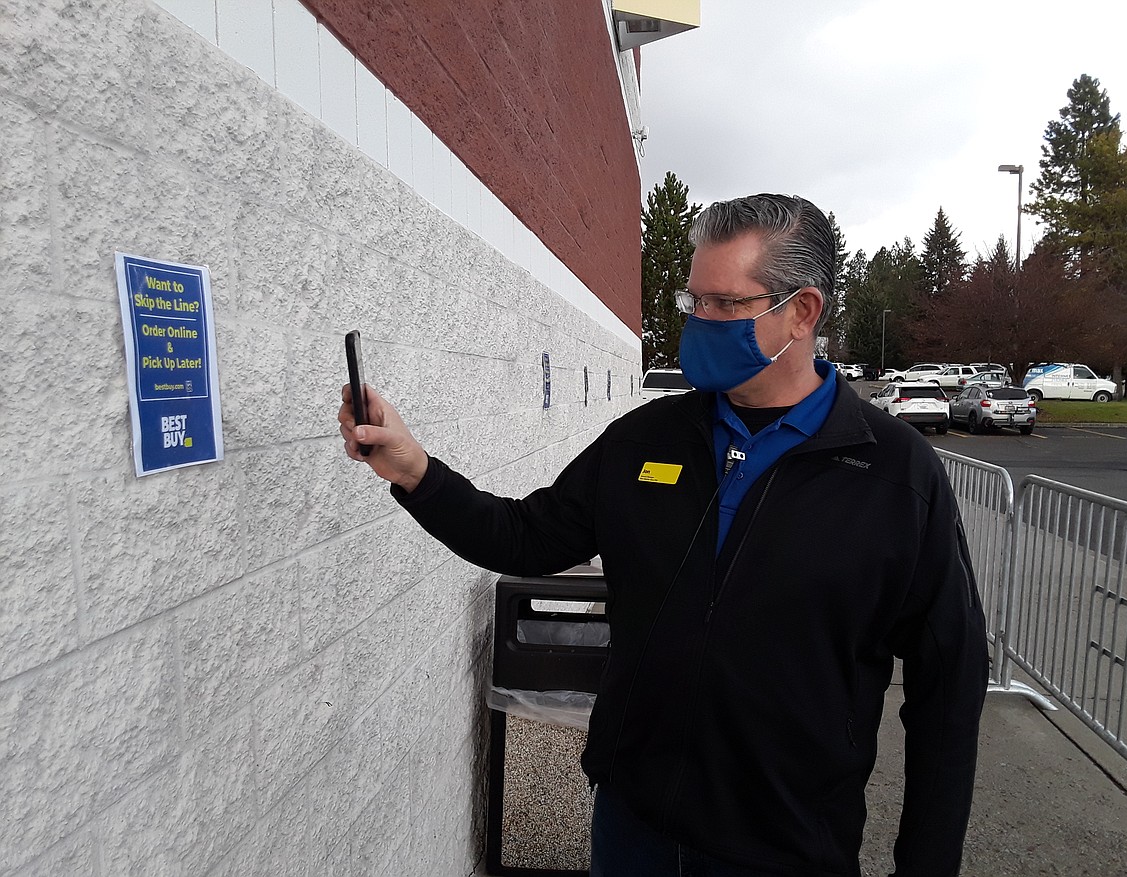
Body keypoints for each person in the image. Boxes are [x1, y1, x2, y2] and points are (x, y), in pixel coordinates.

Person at [338, 194, 988, 877]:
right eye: (694, 301)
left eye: (725, 304)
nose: (700, 320)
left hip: (786, 846)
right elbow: (524, 537)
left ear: (802, 312)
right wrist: (415, 471)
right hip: (634, 827)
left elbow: (948, 688)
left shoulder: (893, 473)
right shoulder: (646, 440)